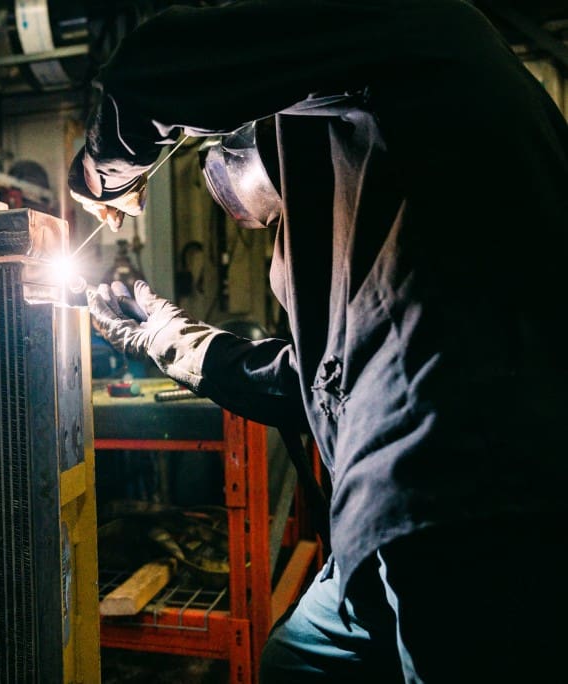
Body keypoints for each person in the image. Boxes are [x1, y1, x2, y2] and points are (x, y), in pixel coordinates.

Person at [68, 1, 568, 682]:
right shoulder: (390, 191)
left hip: (479, 506)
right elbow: (318, 384)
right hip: (385, 518)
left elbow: (153, 71)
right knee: (297, 664)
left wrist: (104, 174)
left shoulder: (425, 34)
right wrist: (163, 334)